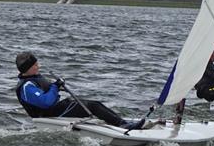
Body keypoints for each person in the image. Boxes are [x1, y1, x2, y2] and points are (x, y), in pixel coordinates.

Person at [14, 51, 143, 129]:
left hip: (56, 109)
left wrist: (57, 85)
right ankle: (122, 125)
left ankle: (122, 122)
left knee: (94, 103)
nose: (39, 66)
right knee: (93, 106)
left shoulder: (33, 78)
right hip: (49, 115)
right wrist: (55, 87)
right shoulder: (27, 87)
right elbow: (46, 102)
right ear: (28, 68)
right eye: (36, 64)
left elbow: (47, 94)